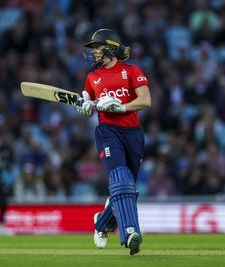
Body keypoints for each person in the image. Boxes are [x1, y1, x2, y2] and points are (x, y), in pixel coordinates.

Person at [76, 29, 151, 255]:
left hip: (133, 133)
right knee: (121, 179)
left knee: (127, 188)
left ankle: (102, 222)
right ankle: (130, 234)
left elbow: (146, 100)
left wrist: (121, 106)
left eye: (97, 47)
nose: (94, 53)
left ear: (110, 47)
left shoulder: (132, 71)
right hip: (108, 131)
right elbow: (89, 105)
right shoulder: (92, 78)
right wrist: (86, 106)